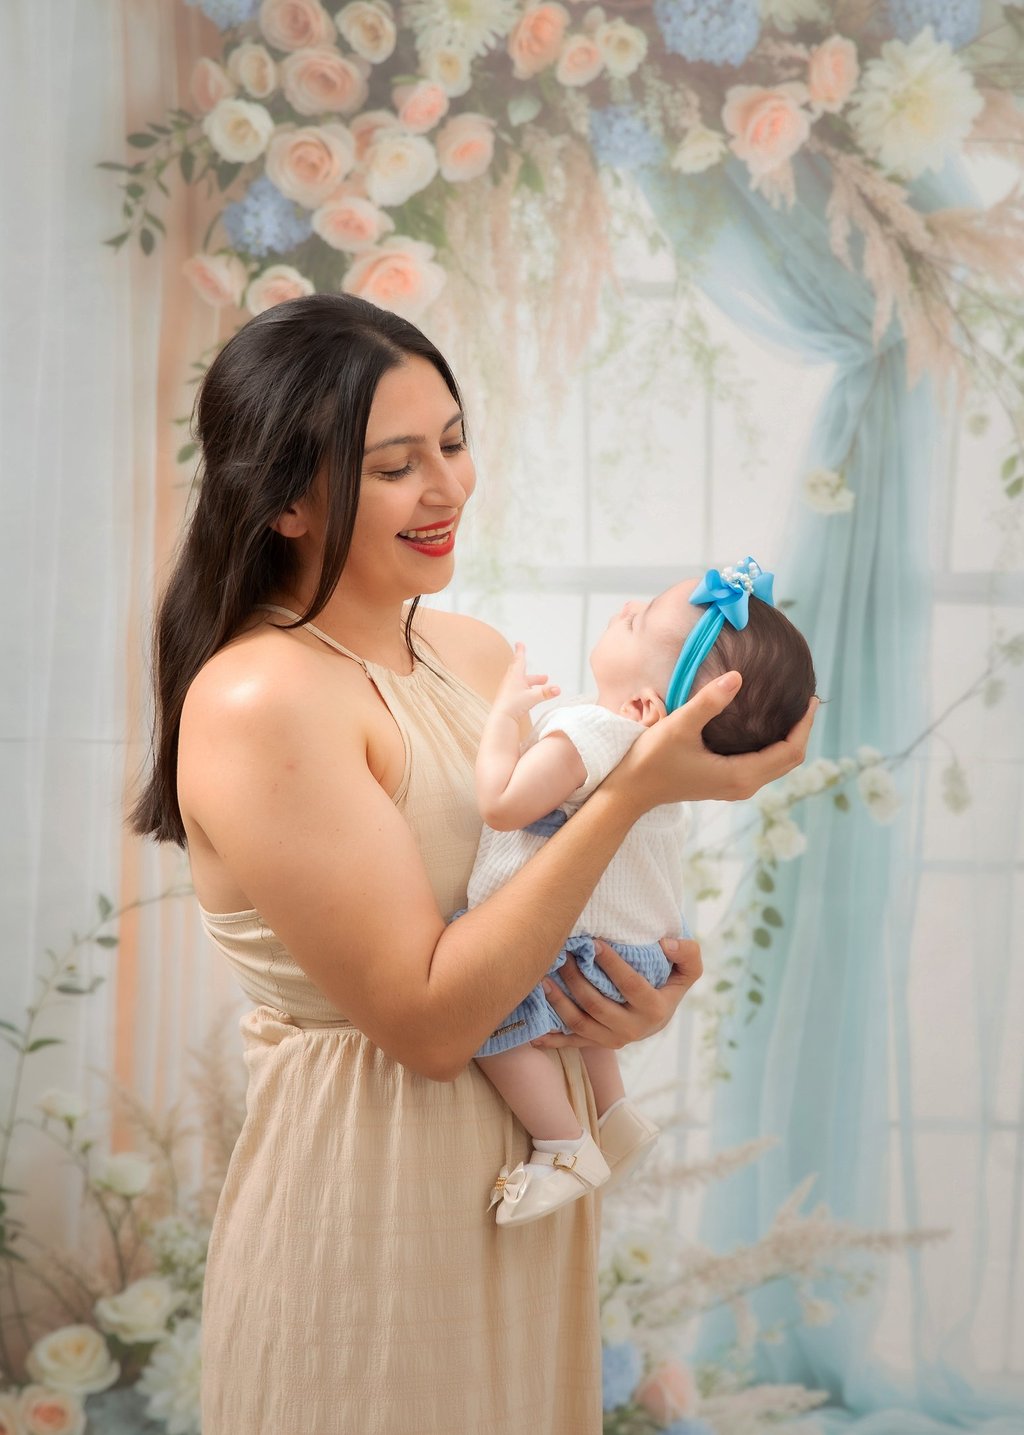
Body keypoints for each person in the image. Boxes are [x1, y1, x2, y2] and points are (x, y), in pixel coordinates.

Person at [130, 293, 816, 1434]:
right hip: (370, 1208)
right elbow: (432, 1023)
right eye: (395, 466)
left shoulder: (470, 650)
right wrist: (636, 790)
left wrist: (617, 1003)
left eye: (452, 443)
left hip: (525, 1193)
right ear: (286, 502)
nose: (446, 487)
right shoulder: (263, 699)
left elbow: (530, 918)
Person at [467, 560, 816, 1227]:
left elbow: (502, 803)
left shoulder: (592, 732)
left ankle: (564, 1145)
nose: (625, 607)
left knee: (490, 1018)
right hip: (637, 951)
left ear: (644, 708)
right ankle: (616, 1115)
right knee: (574, 1015)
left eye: (637, 621)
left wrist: (506, 720)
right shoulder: (652, 760)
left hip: (574, 946)